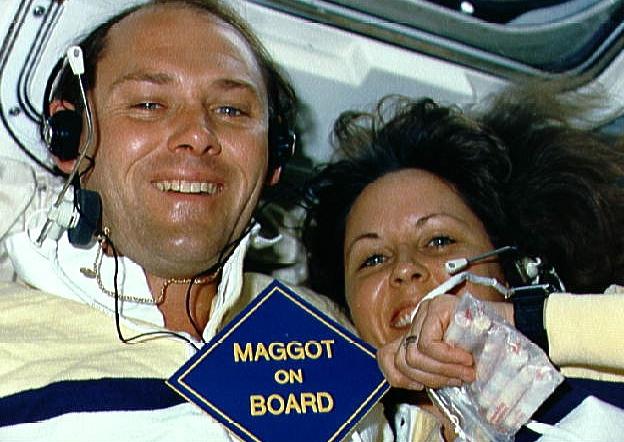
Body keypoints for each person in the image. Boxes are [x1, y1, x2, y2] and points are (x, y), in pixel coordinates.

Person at [0, 1, 389, 440]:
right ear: (69, 135)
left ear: (275, 154)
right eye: (149, 104)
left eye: (231, 111)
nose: (198, 135)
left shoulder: (329, 333)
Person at [302, 89, 624, 441]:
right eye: (373, 259)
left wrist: (523, 322)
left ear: (512, 270)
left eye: (439, 241)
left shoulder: (599, 369)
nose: (404, 268)